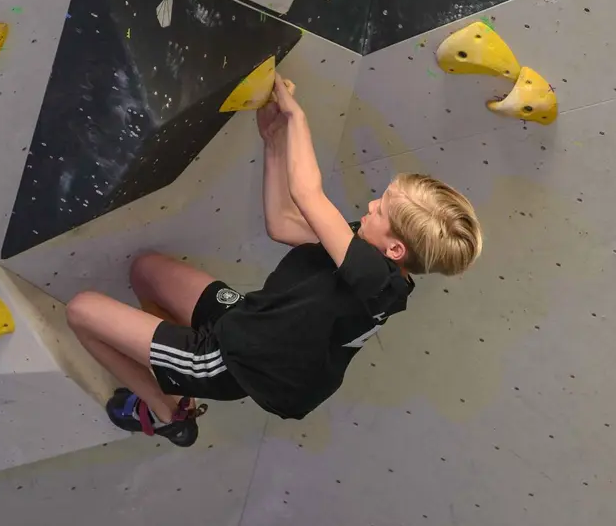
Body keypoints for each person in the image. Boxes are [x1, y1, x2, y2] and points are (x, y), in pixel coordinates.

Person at [65, 74, 482, 446]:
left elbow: (308, 195)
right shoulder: (367, 249)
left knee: (81, 311)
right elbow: (284, 223)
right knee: (146, 272)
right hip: (251, 322)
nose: (372, 205)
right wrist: (273, 142)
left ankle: (168, 410)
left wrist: (296, 118)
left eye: (382, 211)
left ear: (396, 252)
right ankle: (171, 380)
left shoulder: (375, 279)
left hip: (228, 361)